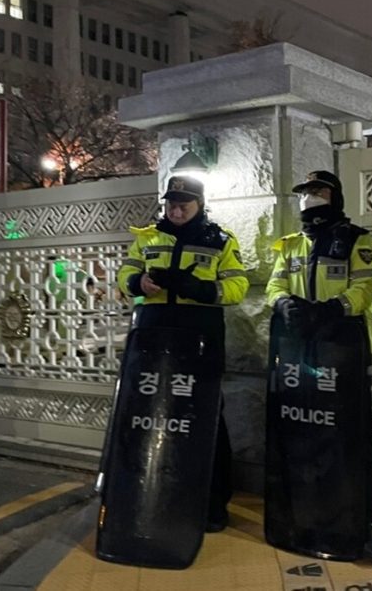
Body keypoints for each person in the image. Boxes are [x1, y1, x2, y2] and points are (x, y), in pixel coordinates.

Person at [265, 170, 372, 564]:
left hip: (342, 355)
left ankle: (363, 526)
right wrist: (284, 305)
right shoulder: (290, 244)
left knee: (351, 441)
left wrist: (332, 311)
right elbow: (274, 286)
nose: (309, 198)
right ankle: (303, 518)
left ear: (333, 195)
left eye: (317, 191)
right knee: (302, 435)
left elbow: (363, 289)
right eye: (304, 192)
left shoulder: (355, 239)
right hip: (300, 356)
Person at [116, 174, 249, 532]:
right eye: (171, 203)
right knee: (150, 417)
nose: (175, 210)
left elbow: (237, 287)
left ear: (199, 205)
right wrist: (138, 283)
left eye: (183, 204)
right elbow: (126, 274)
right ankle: (151, 494)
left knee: (205, 419)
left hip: (199, 341)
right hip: (154, 337)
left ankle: (212, 506)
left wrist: (201, 289)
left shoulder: (220, 240)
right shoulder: (148, 237)